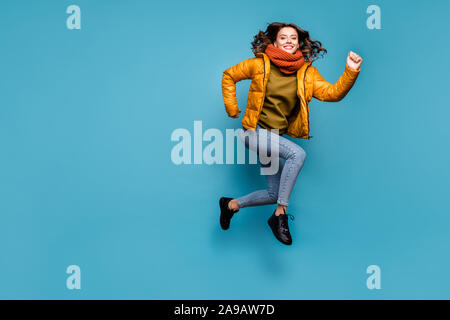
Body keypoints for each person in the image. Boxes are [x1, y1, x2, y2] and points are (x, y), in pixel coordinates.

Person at [219, 22, 363, 245]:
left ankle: (230, 205)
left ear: (298, 43)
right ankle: (280, 215)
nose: (288, 41)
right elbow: (229, 75)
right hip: (254, 134)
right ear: (275, 42)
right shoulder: (259, 65)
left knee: (273, 194)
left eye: (293, 38)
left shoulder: (307, 74)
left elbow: (332, 93)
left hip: (275, 139)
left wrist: (350, 71)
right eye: (283, 37)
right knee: (298, 155)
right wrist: (231, 107)